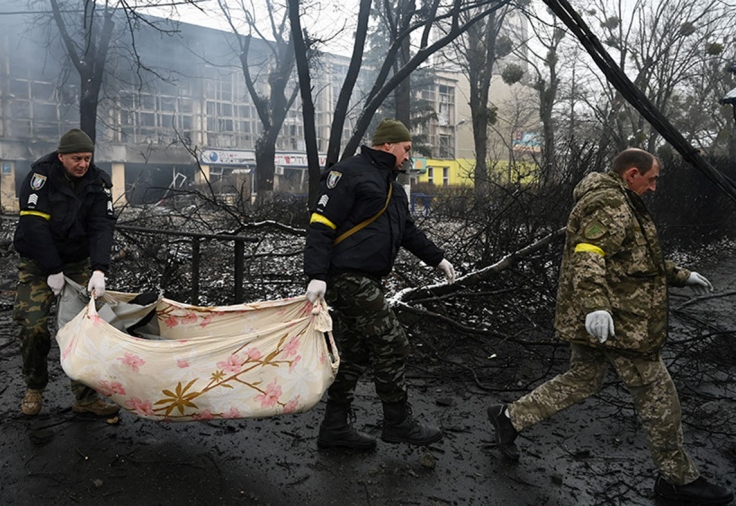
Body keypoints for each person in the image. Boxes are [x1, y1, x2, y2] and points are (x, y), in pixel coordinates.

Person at [487, 148, 733, 505]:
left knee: (584, 378)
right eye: (651, 180)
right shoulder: (610, 204)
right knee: (659, 397)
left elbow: (637, 258)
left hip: (604, 319)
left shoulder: (622, 201)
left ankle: (509, 418)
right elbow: (588, 252)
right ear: (632, 174)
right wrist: (596, 306)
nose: (654, 188)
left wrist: (681, 275)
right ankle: (678, 480)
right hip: (619, 323)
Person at [303, 118, 456, 451]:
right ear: (388, 145)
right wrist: (316, 274)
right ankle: (398, 422)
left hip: (367, 278)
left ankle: (335, 428)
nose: (407, 157)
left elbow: (409, 233)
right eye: (406, 149)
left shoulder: (393, 188)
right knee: (392, 342)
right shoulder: (347, 173)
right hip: (346, 277)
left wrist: (438, 259)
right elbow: (320, 224)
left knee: (354, 353)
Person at [12, 128, 120, 417]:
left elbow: (102, 226)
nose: (82, 164)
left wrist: (99, 269)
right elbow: (34, 227)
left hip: (76, 263)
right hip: (38, 264)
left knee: (85, 330)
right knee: (33, 328)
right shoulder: (40, 179)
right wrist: (52, 269)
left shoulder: (98, 182)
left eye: (87, 158)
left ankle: (85, 399)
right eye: (76, 158)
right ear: (61, 157)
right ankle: (35, 387)